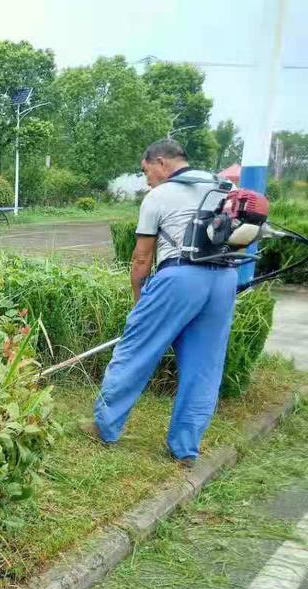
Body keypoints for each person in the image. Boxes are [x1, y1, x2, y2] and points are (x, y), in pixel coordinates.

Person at [83, 139, 238, 467]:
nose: (147, 178)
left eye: (146, 170)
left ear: (161, 162)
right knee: (204, 367)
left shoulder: (160, 196)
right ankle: (185, 448)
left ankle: (104, 427)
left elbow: (142, 258)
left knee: (135, 352)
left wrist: (140, 304)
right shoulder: (221, 188)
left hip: (179, 278)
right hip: (223, 280)